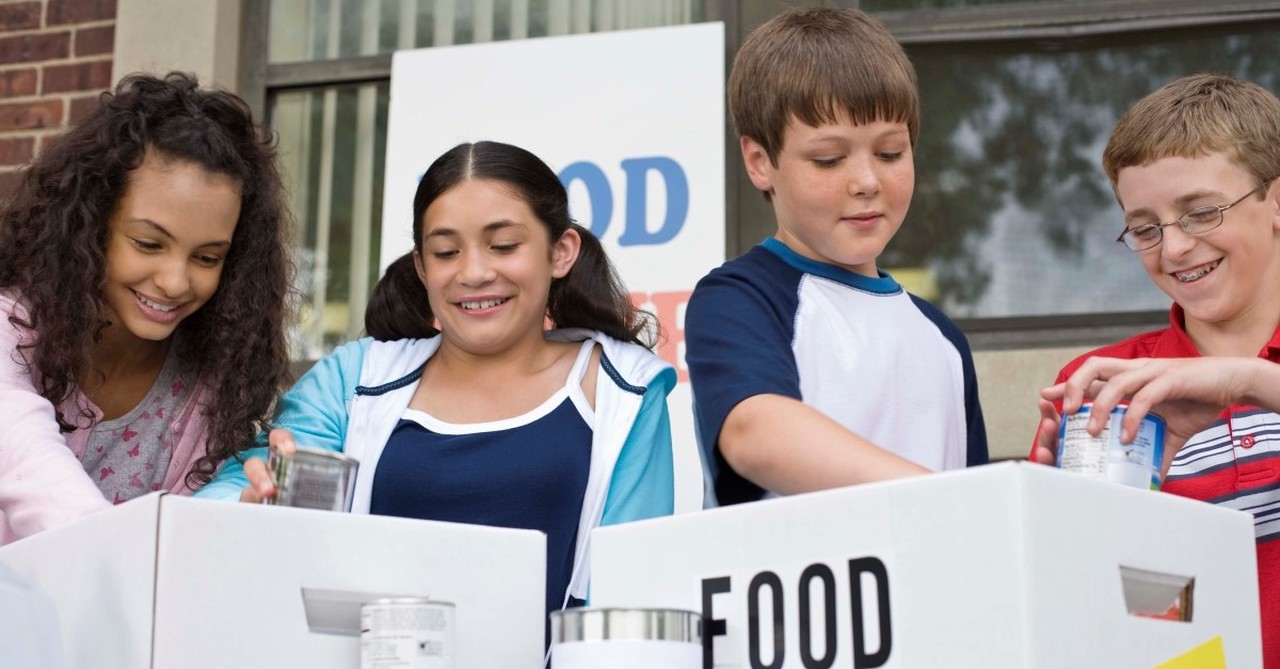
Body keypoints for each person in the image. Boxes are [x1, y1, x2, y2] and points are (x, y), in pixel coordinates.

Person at [195, 140, 676, 624]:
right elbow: (221, 503)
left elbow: (631, 590)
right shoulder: (354, 379)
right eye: (446, 252)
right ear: (422, 267)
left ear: (561, 251)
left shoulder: (624, 389)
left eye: (504, 246)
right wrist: (249, 503)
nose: (473, 273)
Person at [685, 6, 988, 506]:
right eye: (829, 159)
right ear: (760, 162)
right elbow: (755, 433)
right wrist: (944, 498)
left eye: (890, 153)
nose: (867, 182)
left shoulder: (944, 338)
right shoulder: (740, 298)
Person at [1031, 73, 1280, 667]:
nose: (1173, 250)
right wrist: (1083, 517)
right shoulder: (1111, 383)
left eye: (1201, 213)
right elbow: (1093, 609)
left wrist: (1246, 380)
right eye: (1144, 228)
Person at [0, 72, 293, 544]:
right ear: (90, 224)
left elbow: (178, 547)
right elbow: (22, 458)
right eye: (149, 243)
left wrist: (231, 521)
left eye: (207, 257)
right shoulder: (11, 330)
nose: (175, 281)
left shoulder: (213, 385)